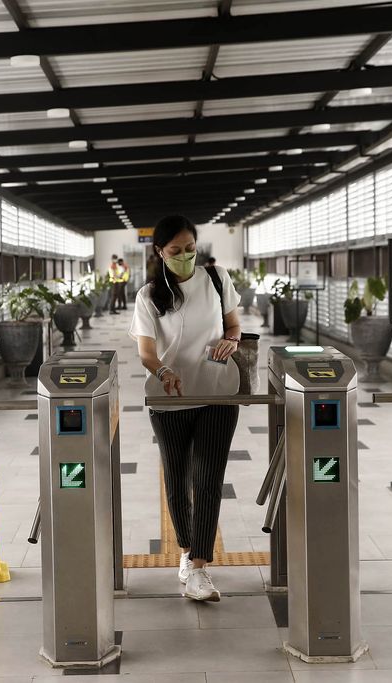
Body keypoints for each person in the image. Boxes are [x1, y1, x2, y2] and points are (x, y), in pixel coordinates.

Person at [128, 215, 242, 602]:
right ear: (160, 252)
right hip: (169, 399)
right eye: (175, 251)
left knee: (208, 480)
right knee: (178, 481)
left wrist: (232, 341)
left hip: (217, 393)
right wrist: (163, 370)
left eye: (190, 249)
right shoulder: (148, 296)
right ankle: (186, 547)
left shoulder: (216, 278)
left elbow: (233, 325)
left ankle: (199, 567)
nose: (183, 257)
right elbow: (145, 352)